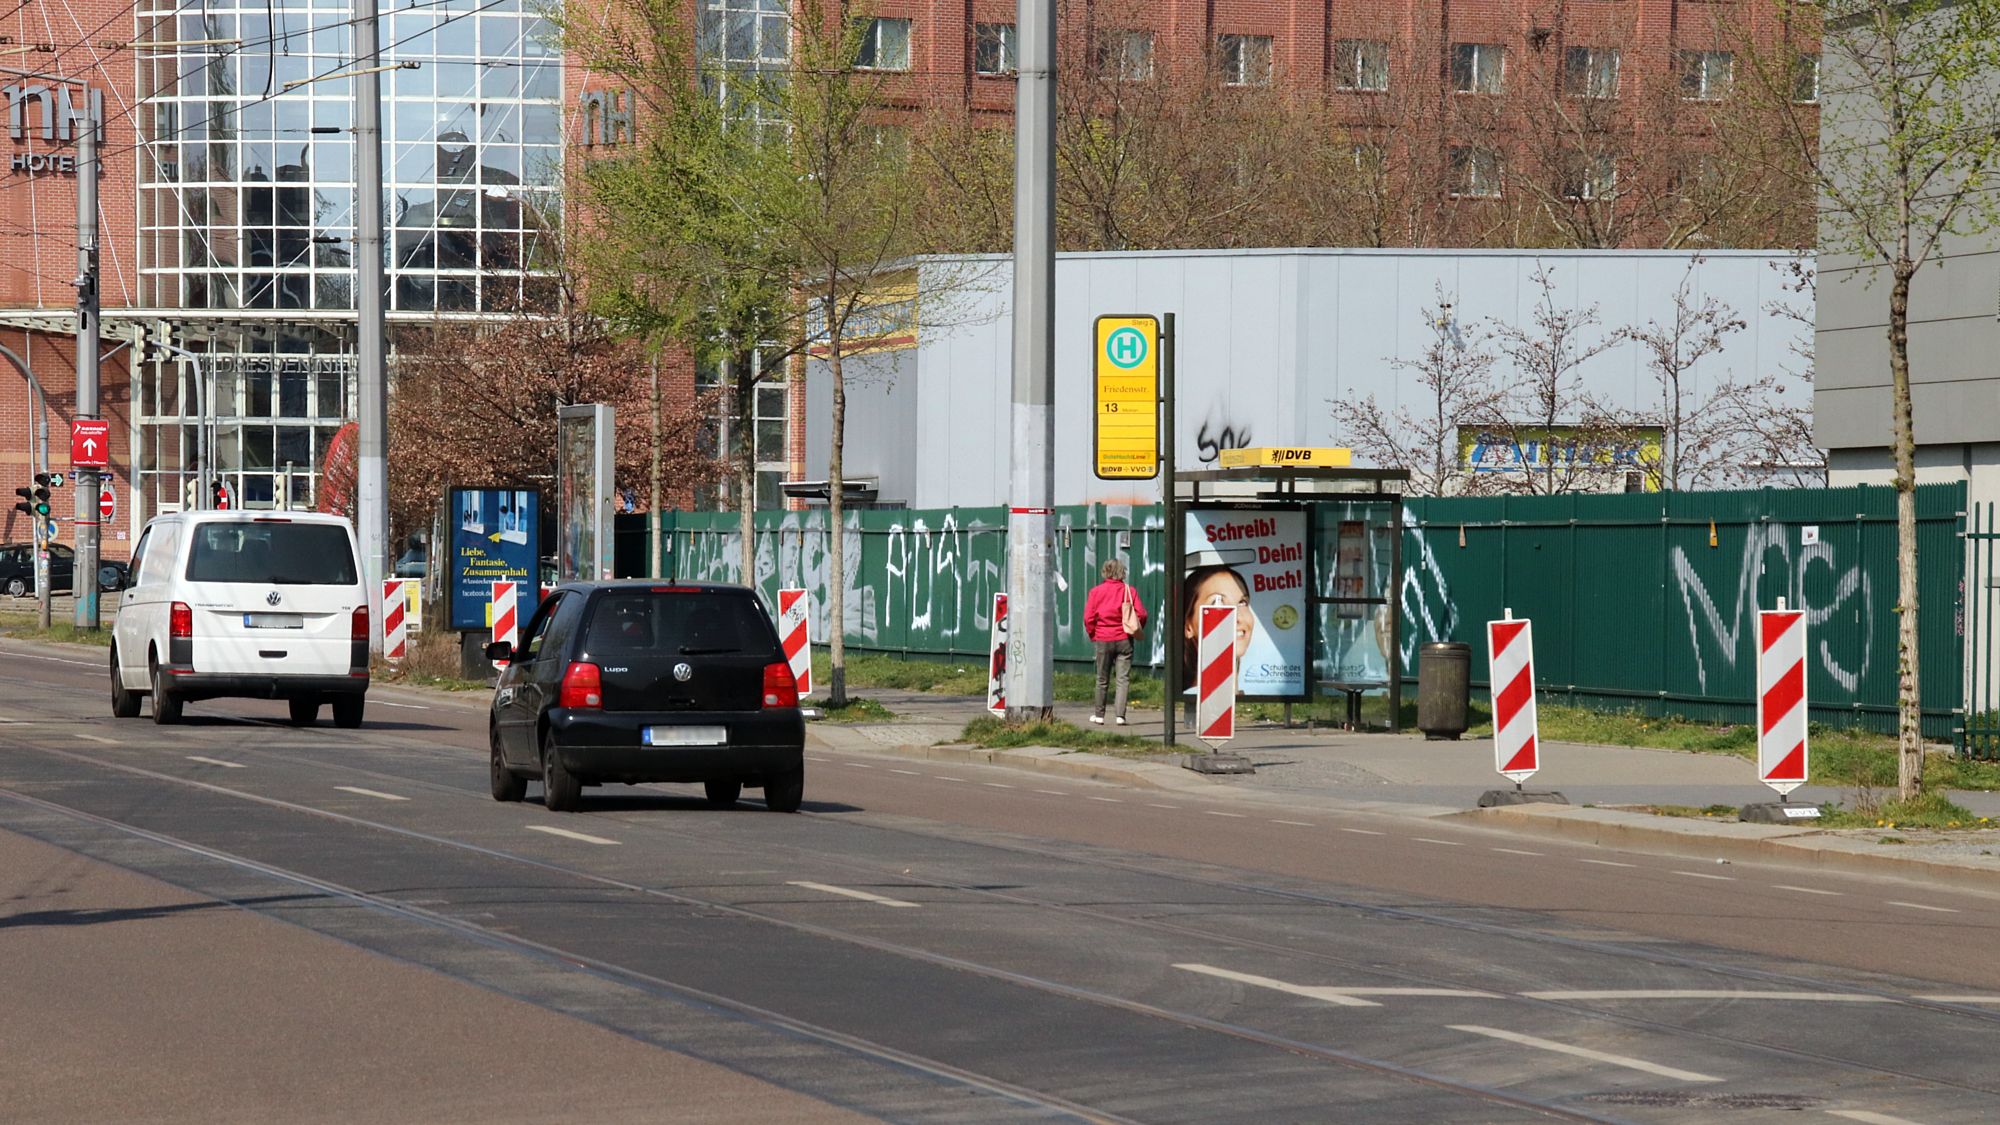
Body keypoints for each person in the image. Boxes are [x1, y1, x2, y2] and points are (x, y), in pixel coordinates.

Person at [1083, 559, 1146, 725]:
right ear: (1122, 572)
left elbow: (1088, 618)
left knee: (1102, 678)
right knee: (1122, 679)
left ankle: (1099, 715)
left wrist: (1093, 634)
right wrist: (1134, 629)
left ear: (1105, 572)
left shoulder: (1096, 592)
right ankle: (1120, 716)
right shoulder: (1129, 591)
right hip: (1124, 639)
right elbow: (1142, 614)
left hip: (1103, 638)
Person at [1180, 564, 1253, 690]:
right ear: (1188, 627)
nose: (1237, 617)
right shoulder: (1200, 699)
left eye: (1242, 602)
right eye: (1218, 603)